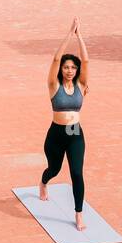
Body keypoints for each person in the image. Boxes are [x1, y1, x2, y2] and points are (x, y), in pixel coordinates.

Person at [39, 16, 89, 231]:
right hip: (56, 134)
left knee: (77, 173)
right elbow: (55, 59)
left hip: (75, 132)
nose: (69, 70)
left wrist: (80, 36)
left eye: (73, 68)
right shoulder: (53, 85)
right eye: (66, 67)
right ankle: (43, 182)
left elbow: (86, 61)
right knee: (54, 168)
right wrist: (69, 34)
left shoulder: (81, 85)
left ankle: (78, 214)